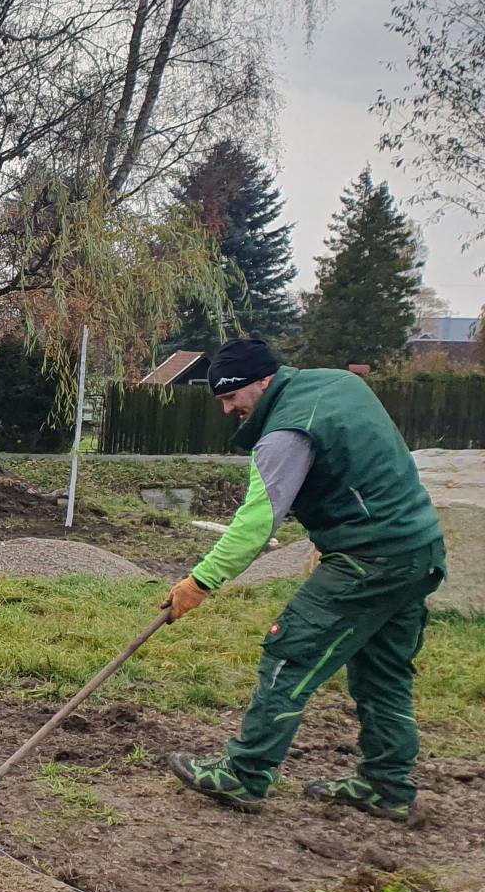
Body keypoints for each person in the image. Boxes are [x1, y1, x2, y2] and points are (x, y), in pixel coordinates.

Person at [167, 338, 446, 820]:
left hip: (369, 557)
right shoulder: (338, 382)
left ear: (262, 382)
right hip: (418, 548)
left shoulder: (286, 432)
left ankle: (245, 774)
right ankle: (386, 786)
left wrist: (200, 583)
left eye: (232, 398)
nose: (230, 410)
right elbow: (362, 464)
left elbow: (257, 524)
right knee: (382, 672)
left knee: (288, 652)